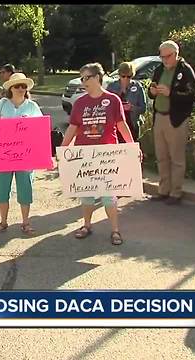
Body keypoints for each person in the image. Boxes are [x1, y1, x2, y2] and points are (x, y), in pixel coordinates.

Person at [60, 63, 136, 245]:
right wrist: (62, 149)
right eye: (82, 78)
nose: (83, 81)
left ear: (96, 78)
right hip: (84, 155)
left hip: (107, 156)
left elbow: (121, 125)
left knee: (109, 196)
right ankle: (86, 225)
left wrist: (133, 146)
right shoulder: (79, 103)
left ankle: (115, 230)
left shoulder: (112, 100)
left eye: (86, 77)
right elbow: (73, 127)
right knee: (86, 194)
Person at [0, 73, 43, 236]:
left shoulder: (32, 106)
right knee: (2, 189)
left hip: (25, 156)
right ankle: (3, 222)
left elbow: (41, 130)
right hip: (4, 156)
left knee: (25, 188)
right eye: (17, 86)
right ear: (10, 88)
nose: (21, 89)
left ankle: (26, 222)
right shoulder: (3, 104)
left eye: (23, 86)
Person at [148, 40, 195, 206]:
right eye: (162, 57)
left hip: (176, 119)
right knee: (161, 157)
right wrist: (153, 92)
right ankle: (163, 190)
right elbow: (151, 92)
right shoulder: (159, 70)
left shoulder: (185, 71)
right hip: (159, 117)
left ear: (176, 54)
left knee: (176, 158)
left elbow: (191, 96)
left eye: (167, 57)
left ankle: (176, 192)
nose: (164, 60)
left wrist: (171, 93)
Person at [106, 62, 147, 142]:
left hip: (132, 124)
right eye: (123, 76)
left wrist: (132, 107)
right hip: (115, 125)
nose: (126, 79)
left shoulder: (137, 87)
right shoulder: (112, 87)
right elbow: (106, 106)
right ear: (119, 75)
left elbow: (143, 108)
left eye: (129, 76)